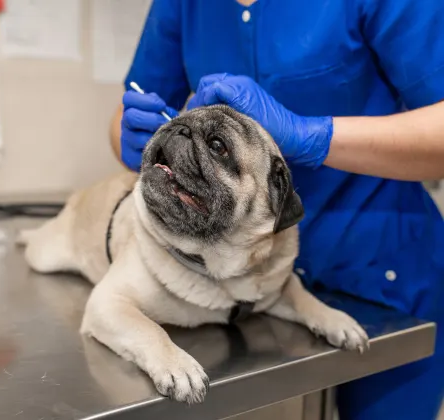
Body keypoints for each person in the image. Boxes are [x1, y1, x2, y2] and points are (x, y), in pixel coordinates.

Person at [109, 1, 444, 418]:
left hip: (379, 265)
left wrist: (313, 136)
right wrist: (129, 131)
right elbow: (132, 102)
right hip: (235, 283)